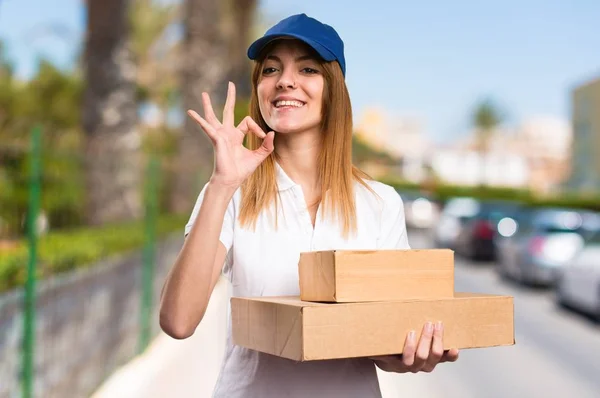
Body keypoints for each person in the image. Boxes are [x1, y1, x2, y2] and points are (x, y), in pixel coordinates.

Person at [159, 13, 459, 398]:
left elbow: (384, 338)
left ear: (333, 89)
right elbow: (178, 322)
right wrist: (221, 185)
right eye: (271, 69)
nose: (285, 80)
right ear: (259, 89)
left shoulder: (379, 203)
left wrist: (410, 355)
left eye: (307, 69)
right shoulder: (232, 191)